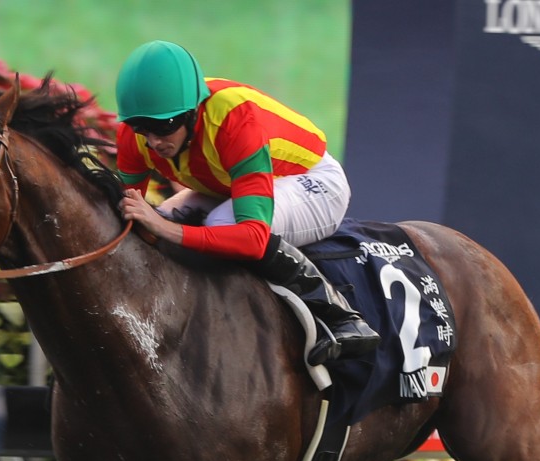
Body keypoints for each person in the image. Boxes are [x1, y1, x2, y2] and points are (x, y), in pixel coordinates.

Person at [114, 40, 379, 365]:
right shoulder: (135, 136)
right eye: (142, 127)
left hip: (313, 182)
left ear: (192, 113)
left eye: (164, 126)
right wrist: (155, 224)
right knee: (162, 214)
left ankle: (340, 315)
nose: (154, 141)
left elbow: (252, 238)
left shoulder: (235, 121)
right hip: (230, 183)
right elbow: (128, 212)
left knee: (220, 224)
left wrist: (165, 228)